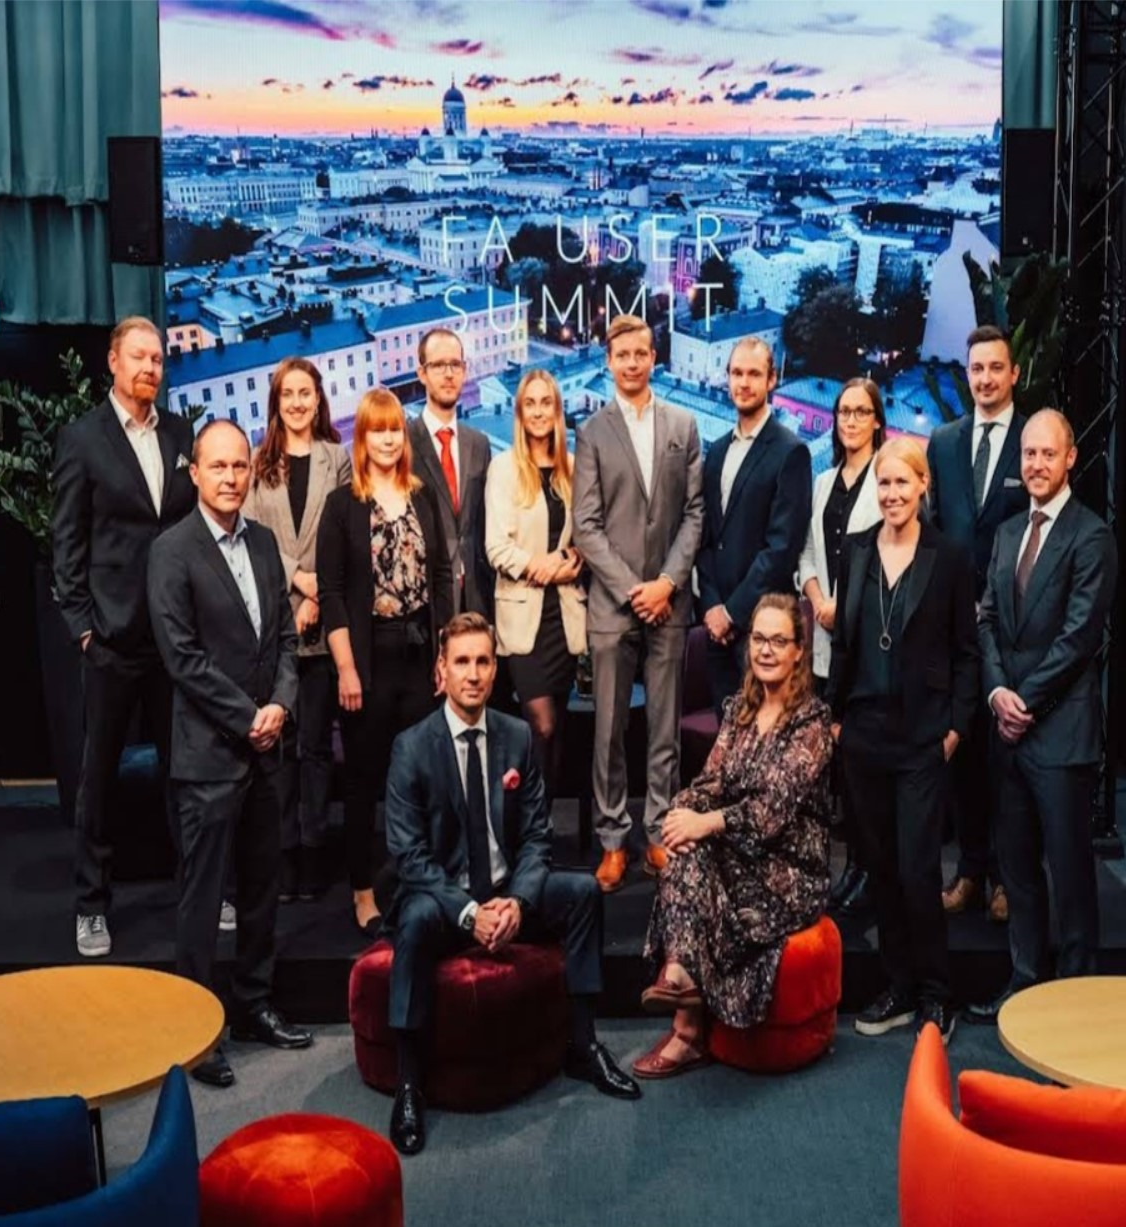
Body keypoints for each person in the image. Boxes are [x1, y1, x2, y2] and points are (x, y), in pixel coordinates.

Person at [383, 612, 641, 1155]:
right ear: (441, 671)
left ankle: (583, 1044)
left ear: (496, 670)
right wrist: (469, 913)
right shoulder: (412, 746)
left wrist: (519, 903)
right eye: (462, 662)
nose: (473, 673)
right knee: (413, 917)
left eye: (483, 661)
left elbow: (537, 837)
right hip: (447, 900)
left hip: (507, 892)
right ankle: (408, 1081)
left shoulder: (517, 736)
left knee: (583, 893)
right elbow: (409, 856)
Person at [147, 420, 314, 1088]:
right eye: (217, 466)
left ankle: (254, 1005)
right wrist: (249, 718)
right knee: (202, 900)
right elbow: (182, 659)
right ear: (195, 473)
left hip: (267, 750)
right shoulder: (171, 551)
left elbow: (284, 639)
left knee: (262, 889)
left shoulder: (265, 543)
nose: (230, 477)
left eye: (240, 466)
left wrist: (281, 706)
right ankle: (196, 1033)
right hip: (210, 757)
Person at [633, 594, 836, 1079]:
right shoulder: (740, 710)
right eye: (759, 639)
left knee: (696, 857)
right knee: (688, 850)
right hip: (739, 854)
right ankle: (683, 995)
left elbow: (771, 812)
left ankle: (684, 1008)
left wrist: (706, 823)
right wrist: (682, 811)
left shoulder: (812, 724)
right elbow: (712, 781)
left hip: (790, 871)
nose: (765, 650)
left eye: (778, 641)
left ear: (799, 652)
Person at [826, 437, 980, 1044]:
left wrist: (955, 729)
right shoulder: (857, 550)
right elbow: (843, 643)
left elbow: (966, 653)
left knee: (918, 871)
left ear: (923, 486)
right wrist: (836, 719)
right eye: (883, 484)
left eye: (901, 482)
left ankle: (938, 995)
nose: (891, 493)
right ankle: (898, 986)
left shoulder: (950, 557)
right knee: (883, 870)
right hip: (863, 737)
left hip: (923, 740)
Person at [51, 316, 196, 958]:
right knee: (100, 780)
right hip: (111, 638)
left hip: (174, 638)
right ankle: (91, 905)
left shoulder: (180, 435)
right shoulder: (83, 439)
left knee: (184, 772)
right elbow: (67, 542)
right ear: (113, 361)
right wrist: (83, 628)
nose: (150, 369)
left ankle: (199, 889)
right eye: (139, 357)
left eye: (157, 360)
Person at [967, 409, 1117, 1025]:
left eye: (1047, 454)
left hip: (1060, 733)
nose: (1035, 465)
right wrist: (998, 693)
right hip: (1009, 731)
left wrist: (1023, 701)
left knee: (1071, 876)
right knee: (1019, 871)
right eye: (1028, 454)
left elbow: (1079, 638)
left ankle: (1076, 1003)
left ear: (1070, 458)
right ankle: (1025, 986)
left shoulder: (1091, 536)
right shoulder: (1007, 534)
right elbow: (986, 621)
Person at [572, 314, 705, 892]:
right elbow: (586, 525)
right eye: (622, 354)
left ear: (655, 357)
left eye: (641, 353)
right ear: (609, 362)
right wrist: (635, 589)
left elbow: (695, 514)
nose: (632, 362)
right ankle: (611, 840)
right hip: (613, 606)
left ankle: (658, 831)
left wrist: (667, 584)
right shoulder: (591, 432)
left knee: (663, 728)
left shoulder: (683, 425)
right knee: (608, 731)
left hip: (669, 604)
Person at [318, 388, 453, 937]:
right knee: (363, 781)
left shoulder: (422, 496)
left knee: (422, 777)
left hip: (420, 655)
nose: (389, 439)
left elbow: (441, 578)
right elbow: (331, 593)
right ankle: (363, 892)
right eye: (378, 430)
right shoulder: (342, 504)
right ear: (362, 438)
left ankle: (417, 884)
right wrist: (346, 668)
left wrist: (444, 653)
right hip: (368, 661)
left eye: (395, 428)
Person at [926, 325, 1030, 924]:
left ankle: (1008, 881)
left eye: (995, 368)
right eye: (976, 369)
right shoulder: (943, 441)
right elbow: (939, 529)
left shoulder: (1032, 440)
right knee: (963, 757)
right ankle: (969, 871)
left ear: (1014, 374)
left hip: (1013, 627)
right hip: (957, 628)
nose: (985, 378)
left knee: (1007, 764)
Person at [242, 357, 352, 902]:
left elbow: (347, 534)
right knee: (278, 748)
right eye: (288, 394)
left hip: (324, 625)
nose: (297, 403)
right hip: (273, 623)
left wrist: (318, 594)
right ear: (276, 401)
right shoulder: (258, 461)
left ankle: (313, 849)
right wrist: (299, 581)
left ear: (319, 399)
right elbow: (250, 535)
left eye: (306, 393)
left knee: (314, 748)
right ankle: (280, 851)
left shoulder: (338, 458)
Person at [798, 377, 884, 915]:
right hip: (826, 639)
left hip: (870, 645)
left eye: (860, 412)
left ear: (877, 421)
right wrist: (819, 601)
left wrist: (844, 608)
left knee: (859, 763)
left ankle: (865, 867)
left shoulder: (887, 479)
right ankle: (845, 868)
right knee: (831, 762)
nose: (850, 420)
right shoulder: (823, 481)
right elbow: (807, 553)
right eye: (843, 412)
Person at [483, 368, 586, 791]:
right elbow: (496, 547)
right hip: (523, 619)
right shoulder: (504, 469)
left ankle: (540, 820)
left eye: (547, 403)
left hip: (564, 618)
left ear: (558, 410)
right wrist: (537, 565)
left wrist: (561, 559)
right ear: (520, 412)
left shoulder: (573, 468)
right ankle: (528, 819)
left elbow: (585, 542)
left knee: (556, 728)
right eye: (531, 403)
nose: (539, 412)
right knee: (541, 725)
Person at [695, 337, 813, 707]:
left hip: (762, 630)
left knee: (763, 736)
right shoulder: (716, 450)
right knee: (726, 732)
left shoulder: (791, 452)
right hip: (716, 629)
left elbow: (781, 549)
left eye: (753, 374)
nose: (743, 383)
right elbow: (706, 538)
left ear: (771, 379)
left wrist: (731, 612)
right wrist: (711, 607)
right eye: (736, 373)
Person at [407, 327, 492, 616]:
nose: (448, 374)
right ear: (422, 374)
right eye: (439, 365)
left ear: (464, 371)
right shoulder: (404, 444)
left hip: (477, 598)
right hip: (427, 601)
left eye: (455, 364)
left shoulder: (479, 444)